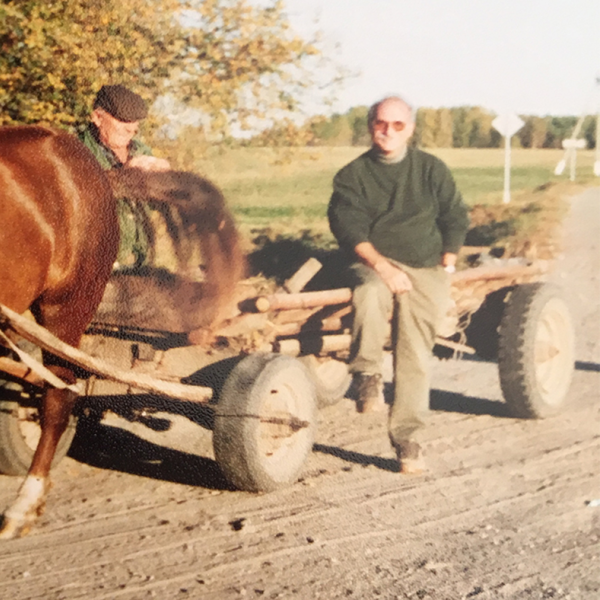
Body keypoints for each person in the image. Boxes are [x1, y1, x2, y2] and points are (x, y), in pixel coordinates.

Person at [328, 95, 469, 474]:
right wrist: (383, 268)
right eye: (380, 124)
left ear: (411, 129)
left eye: (397, 125)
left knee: (415, 353)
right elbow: (348, 227)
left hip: (425, 264)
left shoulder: (430, 170)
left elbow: (455, 214)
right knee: (370, 291)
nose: (388, 132)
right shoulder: (352, 175)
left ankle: (408, 439)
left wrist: (448, 263)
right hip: (372, 260)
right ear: (370, 125)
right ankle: (367, 374)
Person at [80, 84, 170, 267]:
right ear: (97, 117)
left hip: (139, 263)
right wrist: (125, 176)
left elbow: (156, 205)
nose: (132, 129)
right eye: (123, 120)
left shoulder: (141, 150)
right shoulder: (74, 152)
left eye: (135, 121)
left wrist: (164, 179)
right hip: (95, 268)